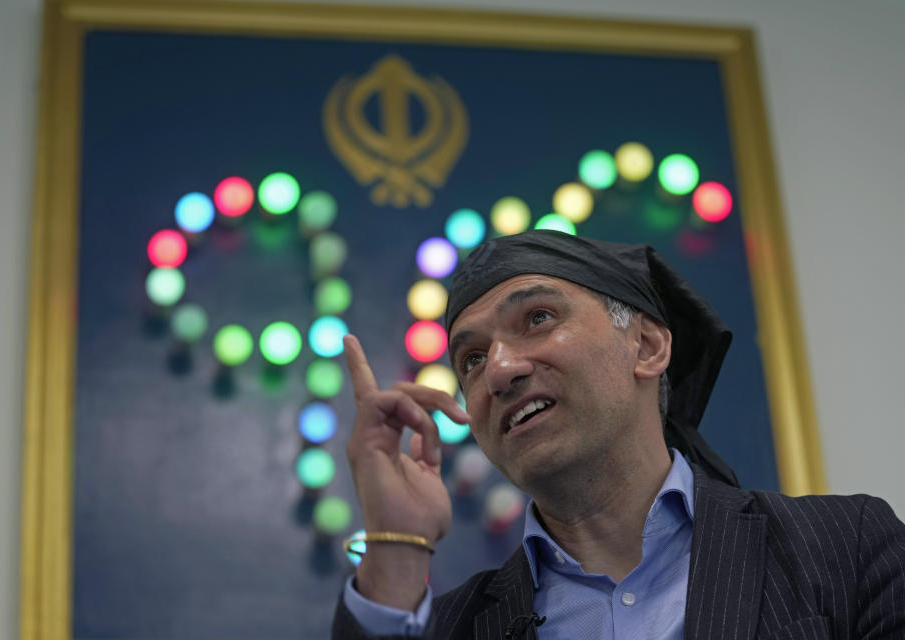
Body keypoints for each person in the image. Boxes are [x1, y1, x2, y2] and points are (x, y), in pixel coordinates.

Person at [332, 230, 905, 639]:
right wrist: (396, 549)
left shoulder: (844, 547)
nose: (500, 370)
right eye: (473, 359)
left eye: (537, 318)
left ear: (648, 346)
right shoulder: (453, 626)